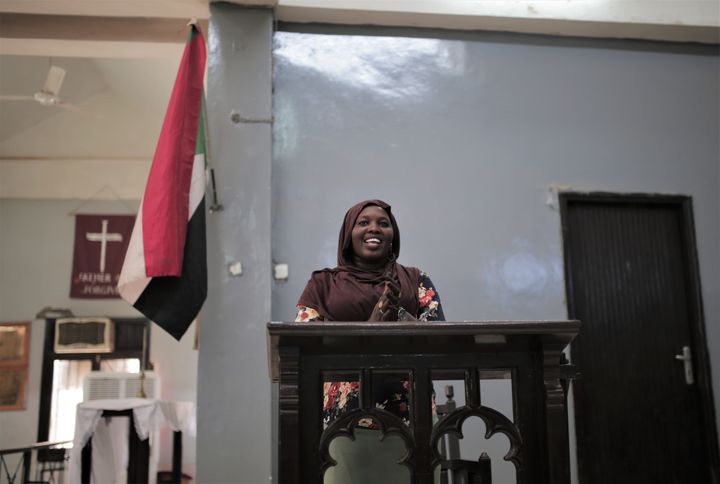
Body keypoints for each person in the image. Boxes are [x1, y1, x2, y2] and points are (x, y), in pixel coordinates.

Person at [295, 199, 445, 482]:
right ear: (348, 234)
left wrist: (397, 317)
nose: (373, 228)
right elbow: (307, 346)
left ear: (393, 235)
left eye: (383, 223)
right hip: (343, 424)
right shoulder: (322, 284)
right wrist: (371, 326)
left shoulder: (415, 280)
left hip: (411, 420)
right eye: (363, 222)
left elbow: (438, 340)